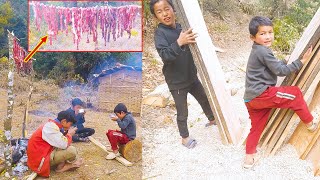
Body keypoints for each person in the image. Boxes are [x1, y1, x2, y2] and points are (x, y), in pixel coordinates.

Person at [243, 16, 319, 168]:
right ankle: (310, 123)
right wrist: (300, 62)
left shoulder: (258, 50)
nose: (268, 36)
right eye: (262, 33)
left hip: (251, 99)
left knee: (256, 127)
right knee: (295, 93)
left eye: (270, 32)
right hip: (261, 94)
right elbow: (280, 71)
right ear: (253, 37)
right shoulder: (263, 51)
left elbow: (272, 65)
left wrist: (283, 60)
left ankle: (249, 158)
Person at [150, 0, 216, 149]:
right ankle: (184, 138)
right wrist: (179, 42)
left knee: (204, 99)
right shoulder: (160, 33)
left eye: (167, 9)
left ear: (173, 9)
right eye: (159, 12)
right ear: (155, 16)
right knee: (182, 111)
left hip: (191, 76)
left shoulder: (181, 28)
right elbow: (165, 55)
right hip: (177, 81)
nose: (165, 14)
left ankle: (212, 119)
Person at [27, 111, 83, 177]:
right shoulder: (50, 128)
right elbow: (63, 144)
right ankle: (61, 168)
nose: (69, 127)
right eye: (70, 124)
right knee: (72, 151)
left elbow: (59, 141)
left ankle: (62, 164)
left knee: (69, 149)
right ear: (64, 121)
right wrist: (69, 135)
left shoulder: (52, 125)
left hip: (42, 153)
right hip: (39, 160)